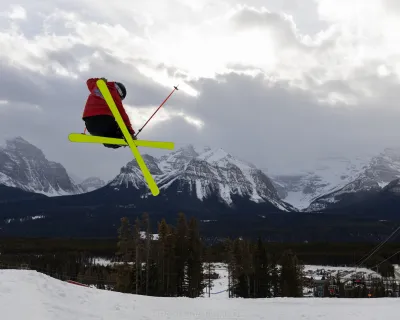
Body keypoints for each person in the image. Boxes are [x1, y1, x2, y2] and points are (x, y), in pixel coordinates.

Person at [82, 77, 136, 149]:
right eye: (121, 98)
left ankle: (112, 142)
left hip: (90, 125)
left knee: (108, 139)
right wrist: (130, 131)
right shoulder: (115, 95)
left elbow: (89, 81)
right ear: (120, 92)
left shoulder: (96, 87)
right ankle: (123, 139)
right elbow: (122, 114)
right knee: (116, 132)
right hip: (105, 121)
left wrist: (99, 80)